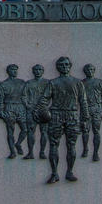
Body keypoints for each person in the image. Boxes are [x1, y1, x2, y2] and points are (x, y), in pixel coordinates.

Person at [41, 56, 89, 184]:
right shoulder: (52, 82)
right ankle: (54, 173)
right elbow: (44, 99)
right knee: (53, 144)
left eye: (66, 64)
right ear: (57, 67)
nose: (64, 66)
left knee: (71, 144)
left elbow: (83, 102)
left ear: (70, 66)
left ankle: (69, 171)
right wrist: (44, 112)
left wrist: (85, 119)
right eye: (61, 65)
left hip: (72, 115)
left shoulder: (78, 82)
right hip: (56, 114)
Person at [0, 63, 28, 159]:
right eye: (12, 69)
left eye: (15, 69)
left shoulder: (22, 82)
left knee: (25, 129)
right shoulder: (3, 84)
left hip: (20, 107)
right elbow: (0, 100)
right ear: (8, 71)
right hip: (9, 107)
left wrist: (27, 107)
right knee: (10, 131)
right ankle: (12, 151)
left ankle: (18, 143)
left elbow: (25, 96)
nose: (14, 71)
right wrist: (1, 111)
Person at [81, 63, 102, 161]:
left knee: (96, 131)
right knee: (85, 131)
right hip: (85, 109)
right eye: (88, 70)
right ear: (85, 71)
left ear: (94, 70)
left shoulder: (99, 82)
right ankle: (85, 149)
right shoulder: (82, 83)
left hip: (97, 108)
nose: (90, 71)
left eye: (92, 69)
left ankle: (95, 152)